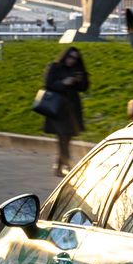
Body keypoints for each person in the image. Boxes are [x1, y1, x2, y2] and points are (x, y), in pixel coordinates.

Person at [42, 46, 90, 176]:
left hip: (71, 111)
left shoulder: (77, 70)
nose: (72, 60)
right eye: (70, 57)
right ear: (65, 56)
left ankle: (59, 167)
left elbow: (84, 88)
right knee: (62, 138)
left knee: (66, 139)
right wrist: (64, 82)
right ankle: (67, 166)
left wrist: (82, 78)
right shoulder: (56, 67)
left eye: (75, 58)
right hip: (58, 109)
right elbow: (48, 84)